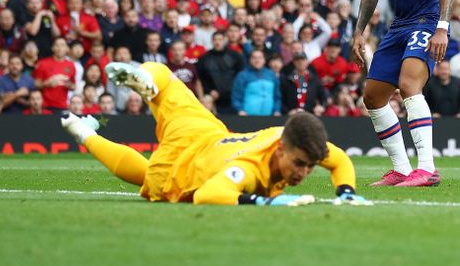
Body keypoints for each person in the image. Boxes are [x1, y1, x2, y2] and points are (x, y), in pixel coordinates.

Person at [60, 62, 370, 206]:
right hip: (184, 158)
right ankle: (93, 128)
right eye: (300, 163)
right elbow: (209, 195)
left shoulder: (293, 137)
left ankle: (91, 121)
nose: (304, 172)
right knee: (150, 176)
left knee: (164, 77)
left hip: (209, 133)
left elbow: (340, 160)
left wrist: (346, 191)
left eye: (310, 166)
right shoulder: (249, 169)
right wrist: (264, 202)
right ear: (280, 149)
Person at [352, 0, 454, 187]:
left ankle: (427, 169)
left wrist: (442, 28)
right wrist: (358, 32)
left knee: (409, 85)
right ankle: (401, 169)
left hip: (427, 20)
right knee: (372, 96)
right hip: (399, 24)